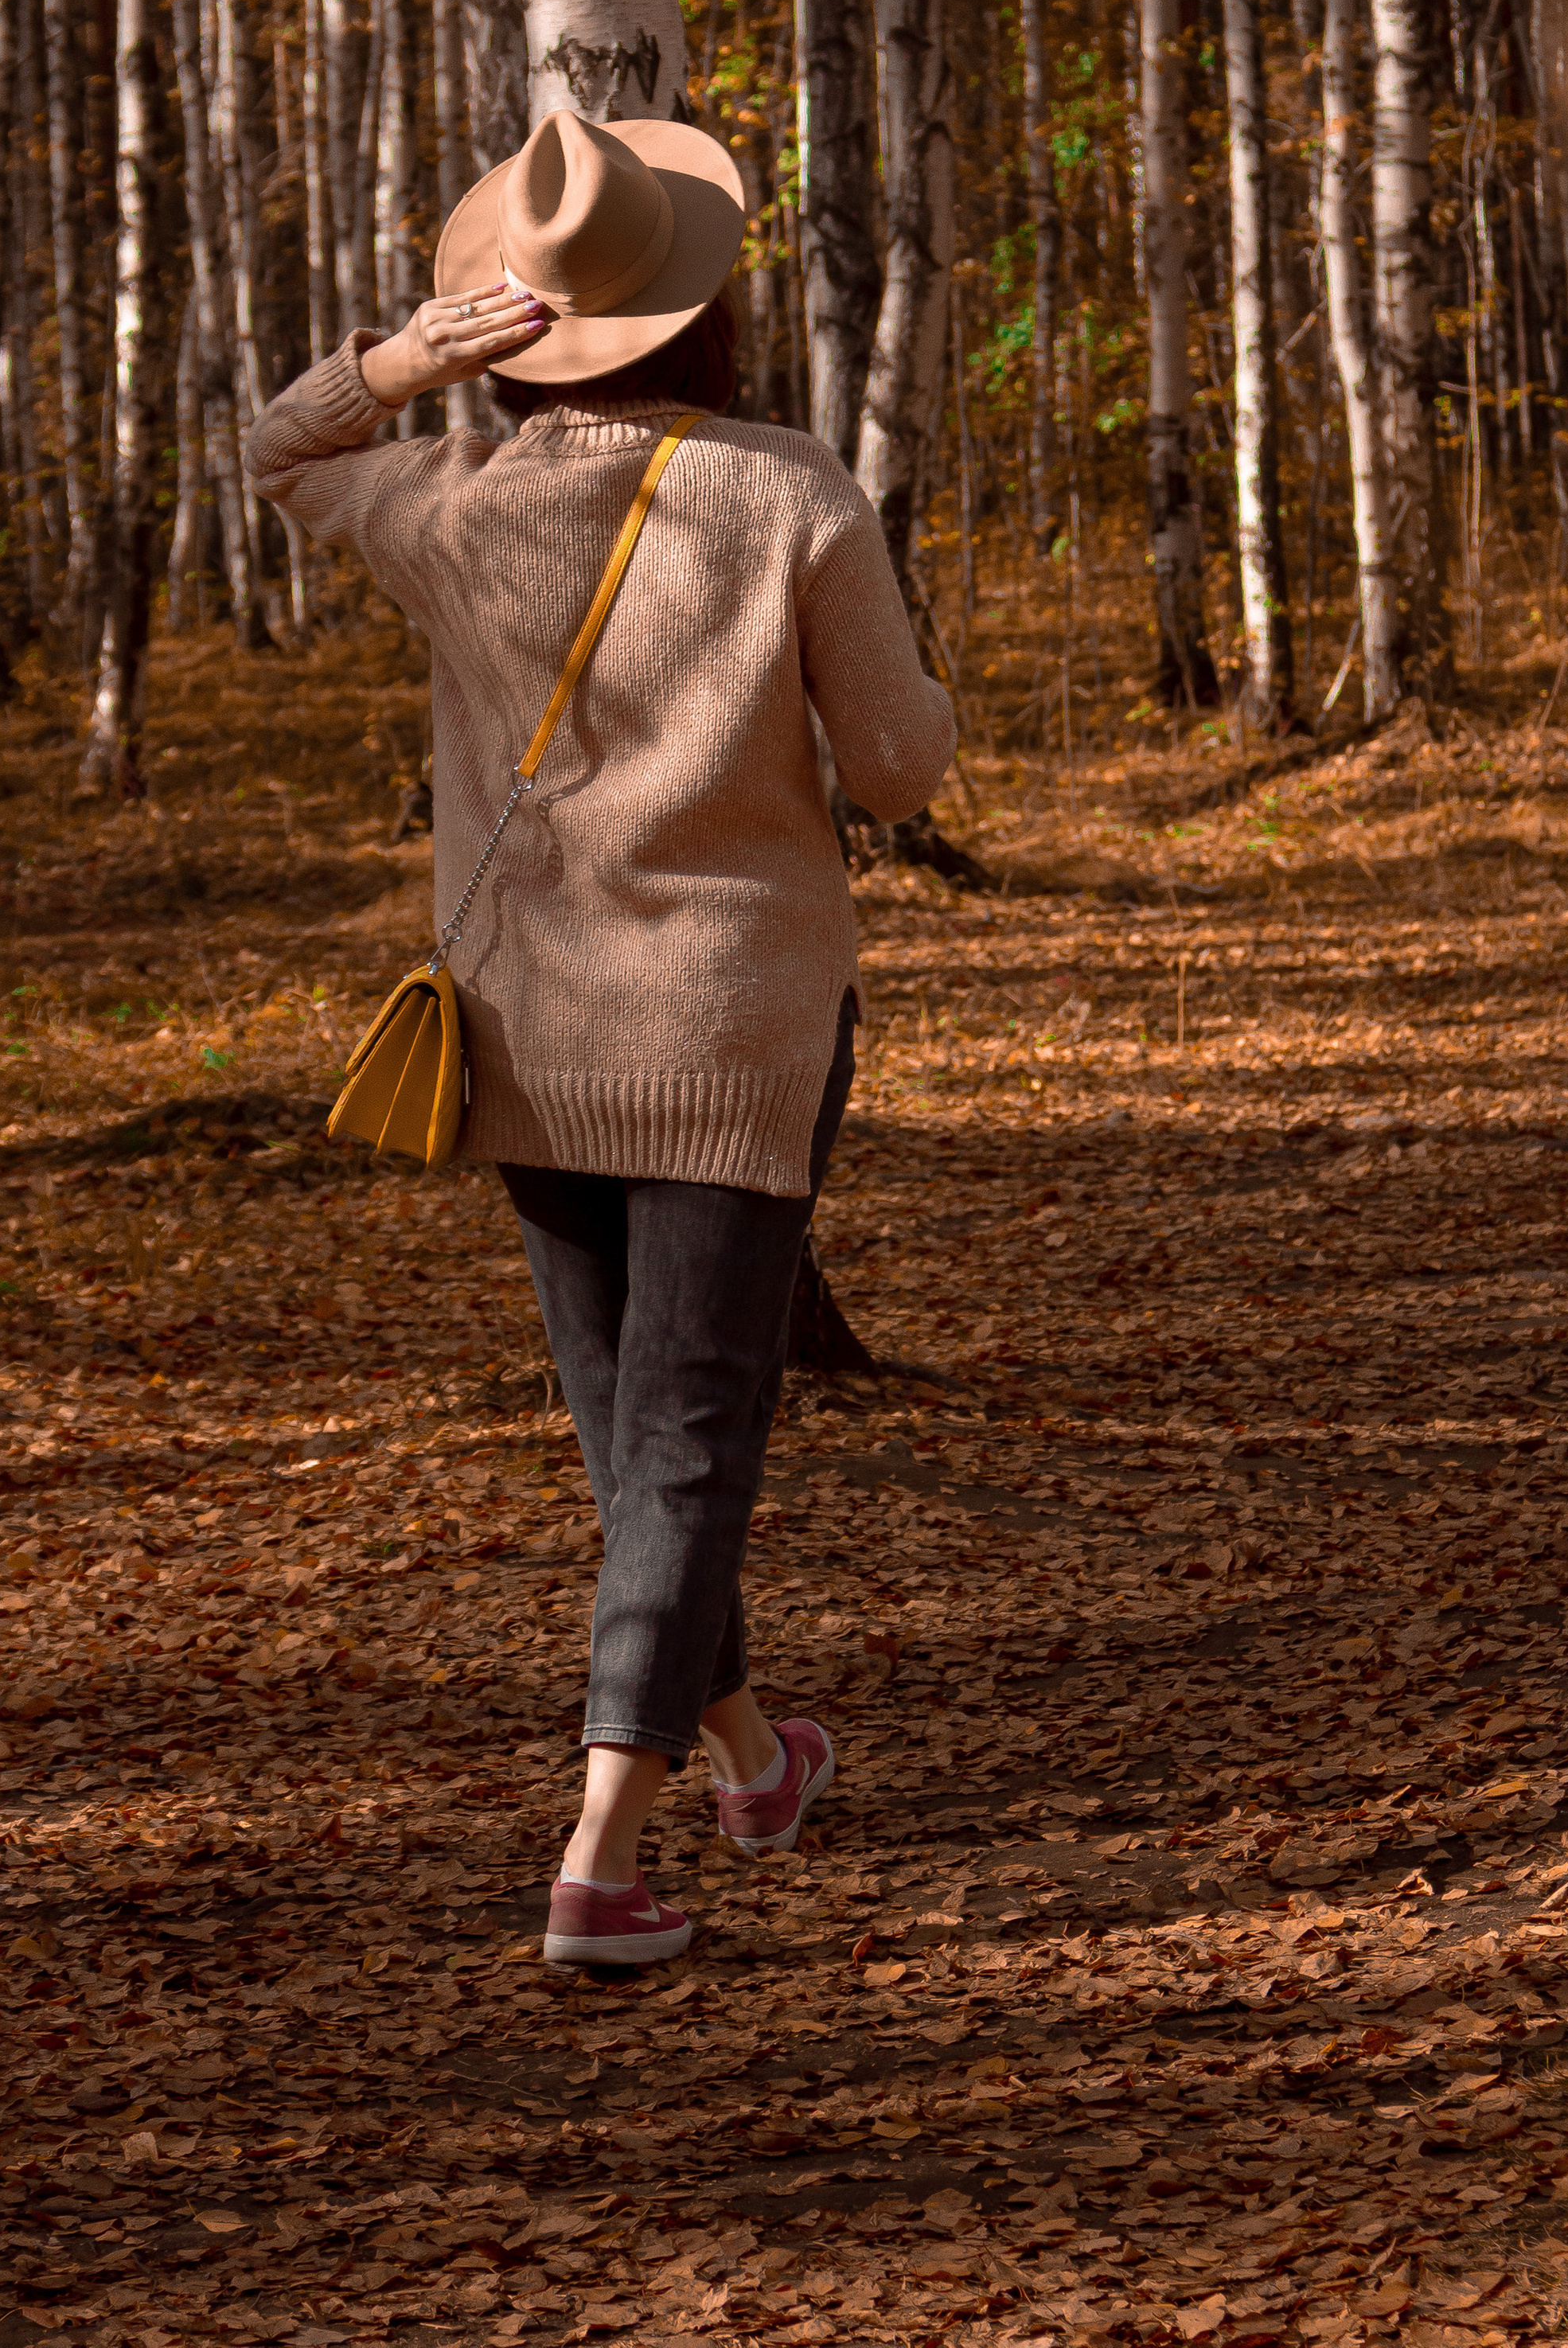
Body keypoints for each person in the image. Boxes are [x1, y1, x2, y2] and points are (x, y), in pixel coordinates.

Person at [244, 109, 955, 1968]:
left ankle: (745, 1751)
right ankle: (601, 1861)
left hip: (527, 1027)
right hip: (733, 1024)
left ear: (530, 318)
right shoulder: (789, 488)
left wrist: (407, 359)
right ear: (700, 299)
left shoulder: (452, 500)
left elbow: (275, 451)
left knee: (622, 1427)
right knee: (691, 1435)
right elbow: (894, 770)